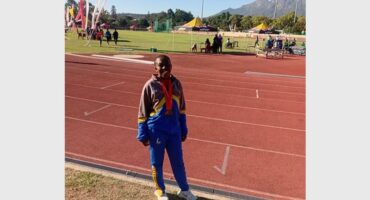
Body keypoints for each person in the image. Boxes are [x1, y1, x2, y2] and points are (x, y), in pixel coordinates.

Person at [137, 55, 197, 200]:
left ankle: (184, 190)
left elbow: (182, 108)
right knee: (157, 162)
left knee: (178, 161)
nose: (165, 68)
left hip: (174, 130)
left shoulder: (177, 84)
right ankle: (160, 191)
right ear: (155, 68)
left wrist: (183, 128)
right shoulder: (149, 86)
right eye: (161, 65)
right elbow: (142, 111)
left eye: (167, 65)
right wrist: (142, 134)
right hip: (156, 130)